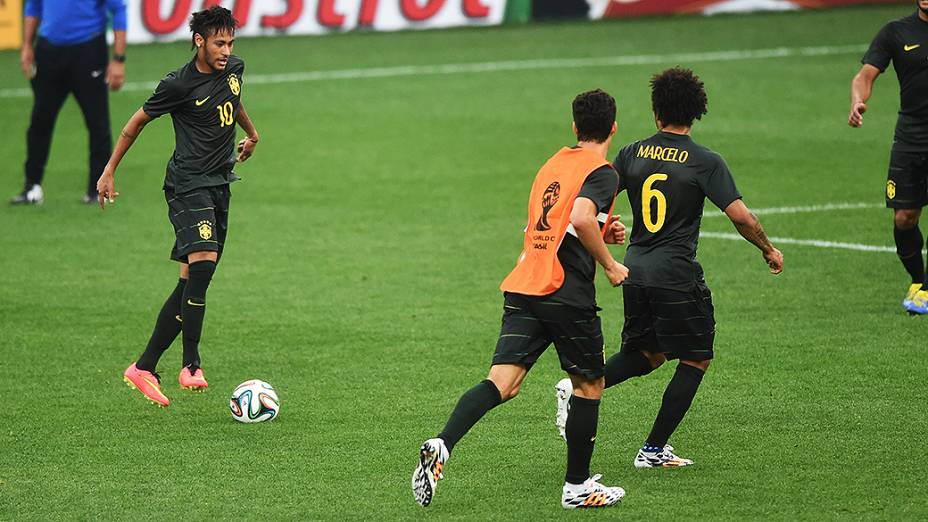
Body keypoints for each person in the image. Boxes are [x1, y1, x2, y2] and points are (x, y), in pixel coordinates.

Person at [555, 67, 783, 468]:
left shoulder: (630, 153)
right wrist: (767, 248)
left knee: (650, 353)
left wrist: (607, 230)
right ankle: (653, 450)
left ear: (656, 111)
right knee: (696, 357)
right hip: (675, 274)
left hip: (635, 271)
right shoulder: (705, 161)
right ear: (695, 112)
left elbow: (595, 202)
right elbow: (742, 217)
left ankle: (577, 386)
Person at [412, 90, 630, 509]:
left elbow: (552, 223)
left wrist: (602, 232)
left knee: (503, 382)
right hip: (564, 291)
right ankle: (577, 487)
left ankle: (442, 444)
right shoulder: (602, 171)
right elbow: (582, 217)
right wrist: (609, 262)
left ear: (574, 127)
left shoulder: (553, 164)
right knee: (589, 385)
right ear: (614, 127)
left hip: (525, 284)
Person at [95, 6, 260, 407]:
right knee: (203, 263)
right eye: (219, 43)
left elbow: (232, 102)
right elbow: (135, 123)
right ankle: (191, 364)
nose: (226, 50)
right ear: (199, 41)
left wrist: (252, 133)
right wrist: (109, 170)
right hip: (187, 185)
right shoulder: (178, 84)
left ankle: (144, 367)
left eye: (230, 43)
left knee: (192, 280)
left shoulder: (234, 69)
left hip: (220, 183)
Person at [849, 0, 928, 314]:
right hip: (910, 137)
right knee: (904, 218)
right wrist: (858, 101)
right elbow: (865, 76)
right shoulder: (896, 32)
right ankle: (919, 282)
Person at [11, 0, 127, 205]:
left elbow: (118, 9)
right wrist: (27, 45)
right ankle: (32, 187)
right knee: (40, 122)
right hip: (48, 52)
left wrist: (118, 59)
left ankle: (96, 189)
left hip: (88, 50)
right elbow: (33, 7)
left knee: (97, 123)